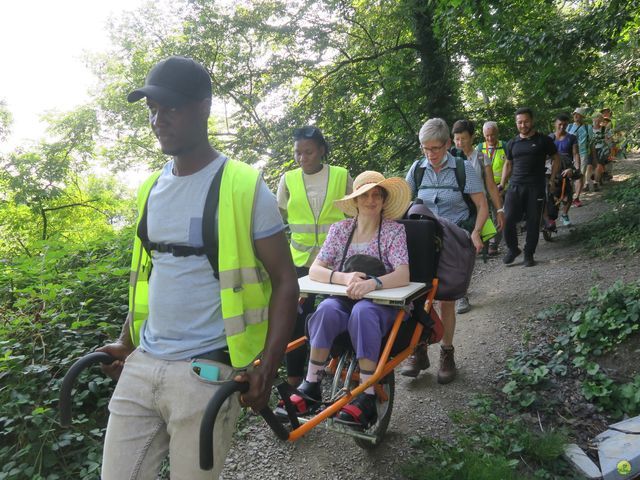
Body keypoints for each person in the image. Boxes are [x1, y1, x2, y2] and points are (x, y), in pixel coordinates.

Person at [97, 56, 299, 480]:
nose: (158, 119)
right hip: (142, 365)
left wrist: (268, 363)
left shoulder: (243, 186)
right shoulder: (150, 188)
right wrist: (125, 341)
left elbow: (285, 280)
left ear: (204, 107)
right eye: (152, 109)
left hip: (206, 372)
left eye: (170, 107)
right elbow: (151, 277)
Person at [282, 171, 411, 428]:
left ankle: (368, 394)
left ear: (384, 200)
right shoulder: (340, 230)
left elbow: (403, 274)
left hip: (382, 304)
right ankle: (312, 383)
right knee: (326, 309)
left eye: (377, 195)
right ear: (355, 200)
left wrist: (372, 284)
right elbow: (316, 269)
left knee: (363, 312)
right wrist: (345, 278)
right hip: (343, 297)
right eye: (365, 195)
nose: (371, 200)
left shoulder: (394, 232)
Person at [403, 118, 488, 383]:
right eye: (425, 148)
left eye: (436, 148)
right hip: (422, 243)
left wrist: (475, 232)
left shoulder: (462, 168)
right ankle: (419, 350)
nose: (430, 154)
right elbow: (403, 206)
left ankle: (447, 353)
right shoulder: (417, 170)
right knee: (415, 298)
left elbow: (481, 205)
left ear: (448, 144)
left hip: (452, 241)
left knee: (446, 300)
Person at [276, 127, 352, 387]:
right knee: (295, 320)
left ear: (321, 150)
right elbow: (278, 218)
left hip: (337, 261)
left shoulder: (341, 176)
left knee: (338, 313)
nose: (302, 157)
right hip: (299, 262)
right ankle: (296, 377)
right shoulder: (288, 180)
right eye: (297, 152)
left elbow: (356, 213)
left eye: (308, 152)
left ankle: (341, 364)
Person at [452, 119, 505, 314]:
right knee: (456, 252)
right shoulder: (449, 157)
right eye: (456, 139)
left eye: (463, 139)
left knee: (469, 253)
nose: (459, 143)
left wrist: (499, 210)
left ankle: (461, 287)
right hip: (456, 211)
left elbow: (491, 186)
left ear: (472, 137)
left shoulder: (482, 158)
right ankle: (461, 295)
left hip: (477, 211)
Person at [502, 107, 561, 267]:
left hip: (535, 187)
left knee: (533, 221)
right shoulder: (512, 143)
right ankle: (513, 249)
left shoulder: (543, 140)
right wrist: (502, 183)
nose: (523, 125)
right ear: (516, 123)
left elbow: (556, 158)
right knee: (507, 219)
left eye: (526, 121)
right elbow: (508, 164)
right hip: (515, 186)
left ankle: (529, 254)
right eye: (520, 122)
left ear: (532, 121)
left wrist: (553, 178)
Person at [477, 121, 510, 255]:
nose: (490, 138)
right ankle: (487, 242)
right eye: (487, 136)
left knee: (499, 214)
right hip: (486, 187)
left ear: (497, 133)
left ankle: (494, 244)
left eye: (493, 135)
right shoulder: (480, 147)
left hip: (502, 186)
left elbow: (509, 165)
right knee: (486, 215)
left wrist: (502, 183)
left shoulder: (505, 146)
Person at [548, 114, 580, 227]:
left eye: (564, 124)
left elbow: (575, 154)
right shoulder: (550, 138)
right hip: (551, 169)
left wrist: (575, 168)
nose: (562, 126)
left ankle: (565, 214)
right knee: (551, 193)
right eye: (560, 124)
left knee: (568, 194)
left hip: (566, 168)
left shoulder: (571, 138)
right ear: (555, 124)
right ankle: (550, 218)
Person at [568, 107, 597, 205]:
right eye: (574, 114)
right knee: (569, 175)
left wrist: (594, 158)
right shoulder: (568, 127)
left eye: (578, 114)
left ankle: (576, 197)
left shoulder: (588, 128)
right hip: (570, 154)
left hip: (583, 154)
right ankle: (569, 196)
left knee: (579, 175)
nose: (576, 116)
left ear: (582, 117)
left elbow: (592, 143)